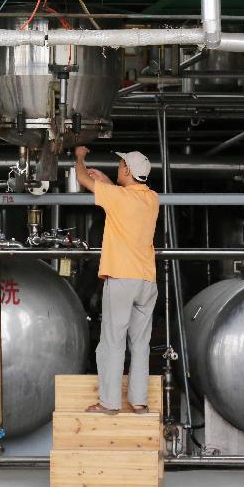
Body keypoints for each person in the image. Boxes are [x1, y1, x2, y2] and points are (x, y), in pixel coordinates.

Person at [73, 146, 160, 415]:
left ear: (127, 170)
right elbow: (122, 197)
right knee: (140, 344)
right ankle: (140, 402)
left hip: (123, 278)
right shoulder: (152, 199)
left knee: (112, 342)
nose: (118, 166)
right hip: (147, 282)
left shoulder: (119, 198)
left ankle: (109, 404)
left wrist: (79, 157)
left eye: (121, 164)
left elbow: (83, 180)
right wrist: (107, 182)